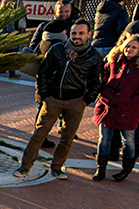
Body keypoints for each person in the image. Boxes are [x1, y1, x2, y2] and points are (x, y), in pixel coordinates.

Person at [13, 18, 104, 179]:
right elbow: (43, 73)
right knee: (39, 134)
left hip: (76, 101)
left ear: (89, 34)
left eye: (81, 33)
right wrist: (45, 95)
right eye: (74, 33)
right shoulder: (57, 49)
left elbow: (96, 81)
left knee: (67, 138)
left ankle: (57, 167)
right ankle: (25, 166)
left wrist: (86, 100)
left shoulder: (94, 56)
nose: (77, 36)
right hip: (52, 99)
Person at [92, 34, 139, 182]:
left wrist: (132, 100)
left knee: (128, 141)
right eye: (127, 46)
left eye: (133, 47)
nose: (129, 49)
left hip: (128, 110)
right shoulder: (114, 60)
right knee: (104, 139)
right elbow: (102, 76)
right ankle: (101, 168)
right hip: (107, 106)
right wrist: (102, 91)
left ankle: (126, 169)